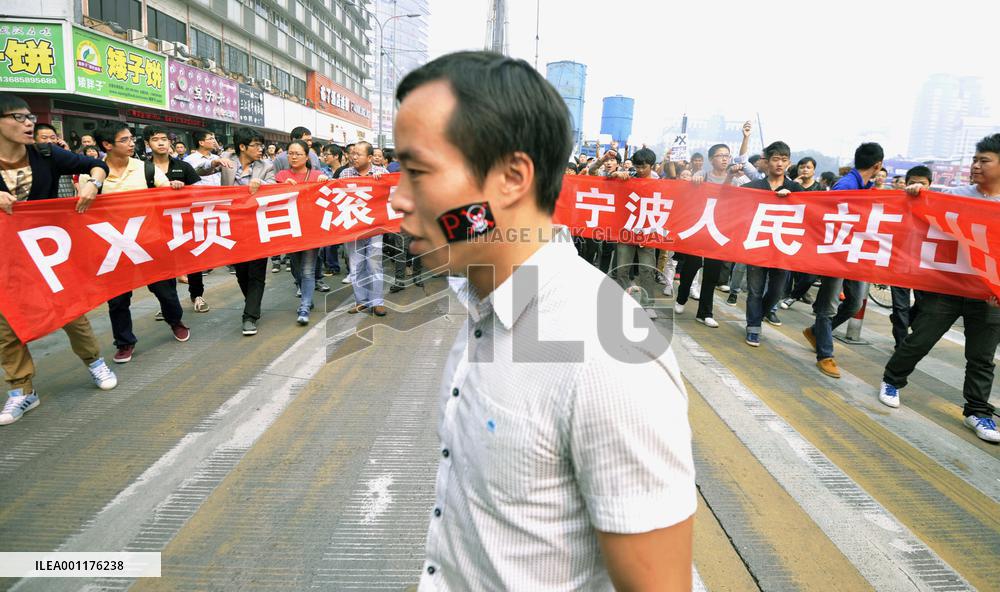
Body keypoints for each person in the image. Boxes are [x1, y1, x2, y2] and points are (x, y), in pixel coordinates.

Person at [391, 50, 694, 590]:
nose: (396, 198)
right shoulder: (483, 301)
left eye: (417, 172)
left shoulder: (608, 353)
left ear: (511, 177)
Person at [0, 93, 118, 426]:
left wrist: (93, 183)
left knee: (69, 311)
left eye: (29, 118)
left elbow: (98, 165)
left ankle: (94, 362)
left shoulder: (46, 154)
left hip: (46, 254)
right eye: (18, 117)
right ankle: (21, 391)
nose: (28, 124)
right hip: (5, 260)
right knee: (8, 327)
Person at [879, 134, 1000, 443]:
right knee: (920, 339)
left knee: (982, 357)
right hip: (948, 287)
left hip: (988, 296)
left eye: (984, 161)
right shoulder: (957, 196)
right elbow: (924, 208)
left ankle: (978, 411)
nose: (975, 166)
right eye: (975, 159)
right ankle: (892, 381)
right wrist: (917, 192)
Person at [78, 122, 191, 364]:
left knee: (166, 291)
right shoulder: (91, 175)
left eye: (132, 139)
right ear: (107, 145)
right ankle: (124, 342)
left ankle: (176, 321)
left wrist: (175, 187)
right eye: (125, 140)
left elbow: (167, 193)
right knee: (118, 299)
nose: (131, 144)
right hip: (113, 246)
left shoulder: (145, 169)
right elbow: (83, 208)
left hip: (150, 241)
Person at [803, 142, 884, 378]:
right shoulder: (846, 185)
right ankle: (825, 354)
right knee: (828, 307)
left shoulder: (867, 186)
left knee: (854, 303)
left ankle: (816, 332)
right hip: (836, 253)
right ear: (878, 165)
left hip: (855, 254)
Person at [676, 143, 749, 328]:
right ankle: (682, 298)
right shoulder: (702, 176)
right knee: (690, 268)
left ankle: (705, 313)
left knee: (711, 274)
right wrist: (694, 182)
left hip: (719, 231)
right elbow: (687, 194)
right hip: (699, 228)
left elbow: (750, 194)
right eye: (720, 155)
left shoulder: (737, 179)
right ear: (711, 159)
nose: (724, 158)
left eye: (727, 155)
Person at [740, 142, 804, 347]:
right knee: (755, 290)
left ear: (789, 163)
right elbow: (732, 202)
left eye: (784, 160)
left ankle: (759, 316)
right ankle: (753, 327)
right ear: (766, 162)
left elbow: (813, 210)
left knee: (776, 291)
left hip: (782, 248)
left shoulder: (795, 189)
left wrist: (791, 199)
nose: (780, 163)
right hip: (757, 247)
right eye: (776, 159)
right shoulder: (753, 188)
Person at [147, 126, 215, 314]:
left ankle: (197, 295)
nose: (161, 142)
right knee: (164, 265)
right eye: (155, 139)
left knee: (192, 260)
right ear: (147, 143)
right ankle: (168, 303)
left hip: (184, 222)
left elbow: (197, 191)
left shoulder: (183, 166)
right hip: (156, 225)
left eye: (164, 138)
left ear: (170, 143)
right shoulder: (143, 168)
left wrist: (183, 189)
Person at [220, 127, 276, 336]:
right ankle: (252, 302)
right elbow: (199, 170)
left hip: (257, 225)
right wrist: (214, 163)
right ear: (242, 147)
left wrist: (259, 183)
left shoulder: (266, 166)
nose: (260, 149)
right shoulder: (226, 159)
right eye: (255, 145)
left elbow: (273, 186)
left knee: (257, 272)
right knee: (242, 272)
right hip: (231, 224)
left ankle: (249, 315)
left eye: (261, 145)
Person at [276, 139, 329, 325]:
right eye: (290, 153)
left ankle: (304, 306)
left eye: (298, 153)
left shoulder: (317, 175)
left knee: (307, 270)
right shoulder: (281, 175)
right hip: (290, 230)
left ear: (307, 156)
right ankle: (306, 294)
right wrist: (280, 186)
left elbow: (328, 197)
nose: (293, 157)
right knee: (296, 269)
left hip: (311, 230)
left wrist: (325, 183)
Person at [611, 147, 663, 318]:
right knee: (622, 268)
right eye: (637, 166)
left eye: (644, 167)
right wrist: (616, 174)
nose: (640, 170)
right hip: (627, 231)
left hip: (647, 233)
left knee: (647, 269)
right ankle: (625, 300)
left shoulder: (660, 185)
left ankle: (648, 304)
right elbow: (607, 179)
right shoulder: (628, 179)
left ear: (652, 166)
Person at [885, 165, 933, 349]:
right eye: (913, 183)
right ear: (906, 183)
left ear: (930, 185)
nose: (918, 187)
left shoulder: (937, 204)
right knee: (900, 307)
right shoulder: (896, 202)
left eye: (923, 183)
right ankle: (901, 345)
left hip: (924, 264)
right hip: (899, 262)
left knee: (924, 307)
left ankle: (903, 321)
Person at [339, 141, 388, 316]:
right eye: (352, 153)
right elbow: (333, 193)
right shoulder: (345, 173)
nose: (353, 157)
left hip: (374, 227)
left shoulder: (381, 173)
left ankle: (378, 302)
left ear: (369, 157)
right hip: (353, 227)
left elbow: (391, 194)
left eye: (358, 154)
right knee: (356, 265)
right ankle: (361, 301)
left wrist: (381, 184)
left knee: (374, 264)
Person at [33, 123, 77, 198]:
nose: (49, 141)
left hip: (67, 199)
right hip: (45, 203)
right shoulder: (31, 158)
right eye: (44, 138)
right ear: (34, 140)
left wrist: (67, 152)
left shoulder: (62, 155)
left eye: (53, 137)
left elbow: (76, 170)